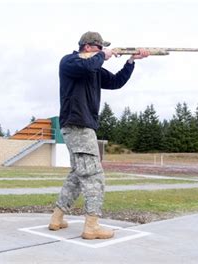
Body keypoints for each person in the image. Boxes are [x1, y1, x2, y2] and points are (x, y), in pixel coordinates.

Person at [48, 31, 149, 239]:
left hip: (80, 126)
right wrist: (104, 55)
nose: (103, 51)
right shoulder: (70, 61)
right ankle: (91, 226)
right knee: (94, 176)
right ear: (88, 47)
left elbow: (116, 82)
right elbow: (87, 65)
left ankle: (57, 218)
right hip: (78, 125)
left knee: (77, 175)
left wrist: (130, 61)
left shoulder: (93, 69)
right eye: (99, 47)